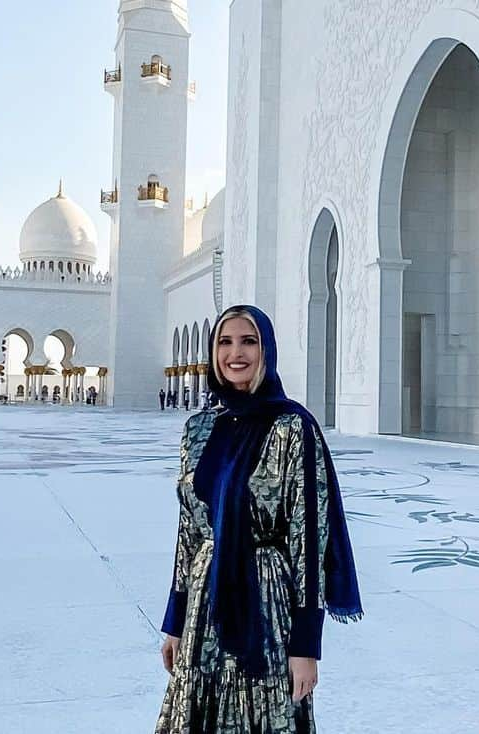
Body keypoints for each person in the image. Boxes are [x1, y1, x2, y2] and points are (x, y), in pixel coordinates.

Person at [156, 305, 363, 734]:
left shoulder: (292, 426)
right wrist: (175, 622)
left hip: (268, 606)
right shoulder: (199, 428)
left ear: (266, 349)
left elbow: (309, 538)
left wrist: (306, 644)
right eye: (225, 342)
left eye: (248, 341)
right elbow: (189, 534)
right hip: (204, 603)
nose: (236, 353)